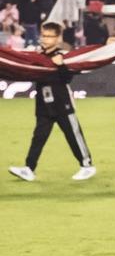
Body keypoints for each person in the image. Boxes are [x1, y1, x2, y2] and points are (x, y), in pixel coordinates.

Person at [9, 21, 96, 181]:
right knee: (38, 137)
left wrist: (61, 65)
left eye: (50, 36)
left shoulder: (63, 55)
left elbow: (67, 78)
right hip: (43, 103)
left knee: (73, 134)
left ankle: (87, 165)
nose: (45, 39)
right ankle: (29, 168)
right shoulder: (37, 55)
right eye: (44, 35)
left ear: (58, 38)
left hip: (62, 103)